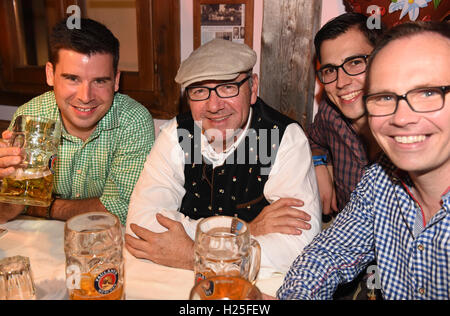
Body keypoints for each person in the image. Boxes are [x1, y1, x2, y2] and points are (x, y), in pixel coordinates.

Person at [278, 21, 450, 300]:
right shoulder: (379, 183)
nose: (401, 117)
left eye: (428, 93)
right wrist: (320, 165)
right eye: (383, 97)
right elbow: (327, 254)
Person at [125, 39, 321, 277]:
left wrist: (193, 254)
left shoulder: (283, 138)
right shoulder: (176, 133)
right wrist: (244, 230)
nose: (214, 105)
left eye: (228, 87)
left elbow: (299, 247)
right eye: (199, 91)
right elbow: (140, 226)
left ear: (253, 88)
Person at [0, 18, 154, 225]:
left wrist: (44, 207)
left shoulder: (133, 121)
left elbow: (125, 209)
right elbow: (10, 209)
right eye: (72, 78)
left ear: (116, 81)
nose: (85, 96)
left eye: (99, 81)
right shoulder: (30, 116)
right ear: (50, 74)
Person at [308, 13, 383, 217]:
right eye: (331, 70)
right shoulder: (330, 113)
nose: (341, 82)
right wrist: (319, 166)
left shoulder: (412, 129)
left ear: (383, 58)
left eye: (355, 62)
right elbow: (314, 140)